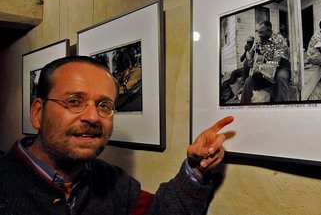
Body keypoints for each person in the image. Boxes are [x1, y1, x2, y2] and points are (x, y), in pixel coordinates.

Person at [0, 56, 234, 215]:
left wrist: (196, 168)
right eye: (74, 101)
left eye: (104, 105)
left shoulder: (113, 182)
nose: (93, 117)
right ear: (38, 113)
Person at [241, 21, 291, 104]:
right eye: (258, 32)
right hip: (265, 67)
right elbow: (252, 51)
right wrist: (250, 60)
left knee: (281, 77)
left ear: (269, 31)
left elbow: (275, 63)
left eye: (261, 32)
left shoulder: (279, 39)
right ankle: (244, 106)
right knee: (249, 81)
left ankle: (282, 107)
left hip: (280, 67)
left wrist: (260, 68)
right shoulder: (259, 39)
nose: (259, 34)